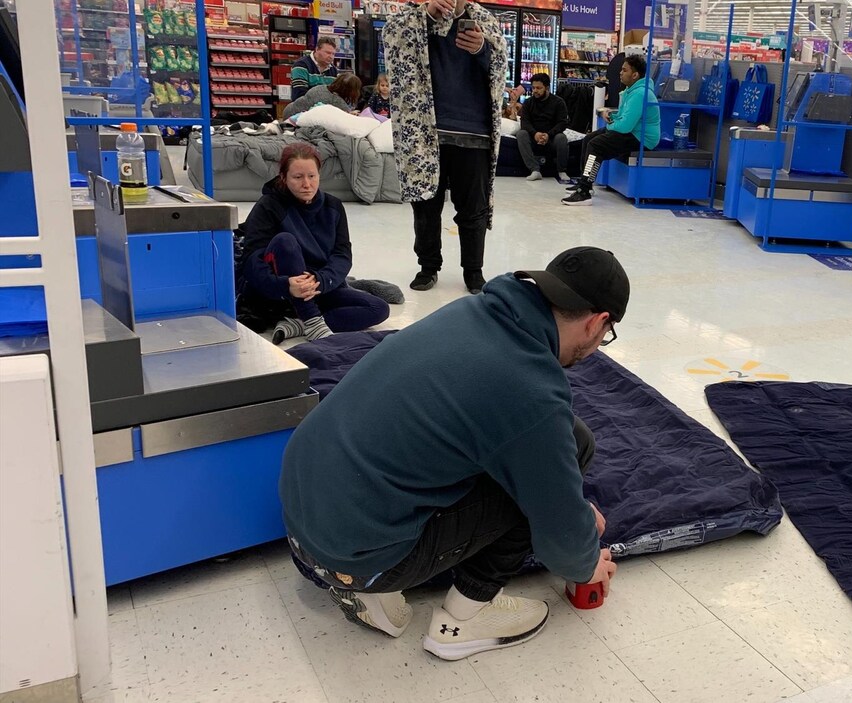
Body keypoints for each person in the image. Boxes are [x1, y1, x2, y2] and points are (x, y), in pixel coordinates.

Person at [279, 246, 629, 661]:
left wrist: (569, 508)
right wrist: (586, 559)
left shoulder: (471, 311)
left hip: (302, 518)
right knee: (561, 462)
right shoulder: (533, 394)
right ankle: (465, 617)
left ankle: (371, 590)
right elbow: (561, 540)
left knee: (557, 444)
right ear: (597, 322)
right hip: (353, 556)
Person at [383, 0, 507, 295]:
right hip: (424, 129)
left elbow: (500, 67)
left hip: (473, 130)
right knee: (425, 205)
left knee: (473, 208)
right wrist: (426, 17)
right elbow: (393, 45)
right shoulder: (411, 18)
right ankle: (428, 266)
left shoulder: (485, 21)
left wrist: (481, 50)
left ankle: (473, 271)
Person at [238, 142, 390, 344]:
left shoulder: (333, 206)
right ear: (284, 178)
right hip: (281, 293)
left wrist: (321, 279)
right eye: (298, 177)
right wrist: (285, 285)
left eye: (312, 176)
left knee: (378, 308)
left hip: (316, 286)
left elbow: (342, 255)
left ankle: (299, 324)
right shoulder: (269, 205)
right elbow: (251, 261)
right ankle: (311, 320)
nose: (307, 184)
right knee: (285, 241)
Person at [562, 55, 659, 206]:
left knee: (596, 145)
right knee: (589, 139)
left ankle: (584, 191)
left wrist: (609, 126)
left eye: (624, 70)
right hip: (633, 132)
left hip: (641, 138)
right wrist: (612, 115)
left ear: (635, 75)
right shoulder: (632, 90)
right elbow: (624, 116)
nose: (620, 73)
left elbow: (626, 126)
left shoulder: (640, 93)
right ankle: (584, 182)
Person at [516, 73, 570, 181]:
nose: (535, 90)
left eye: (539, 88)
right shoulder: (528, 103)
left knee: (561, 138)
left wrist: (548, 135)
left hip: (551, 137)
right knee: (521, 134)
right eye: (533, 88)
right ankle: (534, 170)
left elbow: (562, 123)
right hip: (533, 137)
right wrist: (535, 134)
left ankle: (561, 170)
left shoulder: (558, 102)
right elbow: (525, 123)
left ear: (547, 88)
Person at [280, 73, 362, 120]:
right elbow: (347, 119)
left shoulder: (321, 87)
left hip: (288, 110)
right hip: (294, 120)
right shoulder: (337, 102)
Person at [291, 37, 339, 101]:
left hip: (325, 109)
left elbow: (335, 95)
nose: (331, 57)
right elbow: (299, 96)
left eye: (333, 54)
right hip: (304, 109)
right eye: (327, 53)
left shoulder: (333, 70)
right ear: (317, 49)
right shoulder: (301, 65)